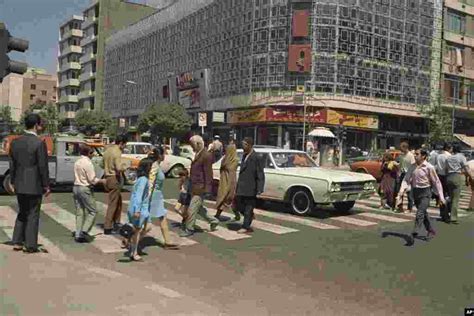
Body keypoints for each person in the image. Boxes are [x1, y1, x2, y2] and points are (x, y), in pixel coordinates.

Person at [9, 113, 50, 253]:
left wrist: (13, 181)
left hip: (19, 184)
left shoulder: (15, 142)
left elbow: (12, 164)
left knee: (22, 212)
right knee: (33, 214)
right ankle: (31, 245)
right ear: (36, 125)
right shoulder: (39, 143)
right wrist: (46, 185)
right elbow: (43, 166)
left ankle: (17, 242)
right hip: (34, 184)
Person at [397, 148, 445, 245]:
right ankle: (430, 230)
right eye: (415, 154)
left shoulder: (429, 167)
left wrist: (441, 197)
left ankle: (414, 232)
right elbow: (406, 179)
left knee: (420, 213)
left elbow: (436, 182)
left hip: (426, 192)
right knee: (423, 212)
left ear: (423, 156)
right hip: (416, 192)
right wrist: (401, 192)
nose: (415, 156)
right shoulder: (412, 166)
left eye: (417, 154)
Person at [180, 135, 219, 237]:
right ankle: (213, 220)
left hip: (200, 187)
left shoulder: (206, 155)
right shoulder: (198, 154)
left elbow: (208, 174)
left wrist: (207, 189)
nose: (192, 147)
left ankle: (189, 228)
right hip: (194, 186)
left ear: (198, 144)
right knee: (199, 208)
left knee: (192, 209)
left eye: (192, 145)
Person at [73, 144, 106, 243]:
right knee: (93, 211)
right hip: (85, 188)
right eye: (92, 152)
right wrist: (102, 181)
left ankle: (78, 234)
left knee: (79, 212)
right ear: (89, 153)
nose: (93, 154)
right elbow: (92, 180)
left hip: (76, 187)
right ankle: (84, 231)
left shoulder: (77, 162)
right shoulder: (88, 163)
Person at [148, 147, 179, 249]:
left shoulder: (157, 165)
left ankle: (167, 241)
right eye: (164, 154)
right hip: (153, 196)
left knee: (162, 217)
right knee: (145, 223)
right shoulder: (155, 166)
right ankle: (130, 240)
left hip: (157, 196)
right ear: (160, 155)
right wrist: (147, 198)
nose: (165, 155)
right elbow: (151, 182)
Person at [235, 137, 265, 234]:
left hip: (251, 187)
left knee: (248, 207)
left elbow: (260, 173)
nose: (242, 146)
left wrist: (260, 187)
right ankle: (249, 216)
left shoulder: (256, 157)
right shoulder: (244, 155)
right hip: (242, 186)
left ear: (249, 145)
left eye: (244, 144)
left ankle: (246, 226)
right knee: (238, 205)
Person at [127, 158, 153, 261]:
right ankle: (134, 252)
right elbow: (139, 196)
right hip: (139, 209)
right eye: (151, 166)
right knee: (137, 231)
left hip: (140, 208)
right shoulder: (143, 180)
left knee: (146, 227)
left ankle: (130, 242)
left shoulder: (140, 179)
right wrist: (137, 210)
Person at [103, 135, 128, 235]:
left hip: (107, 176)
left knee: (118, 201)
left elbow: (101, 164)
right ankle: (108, 226)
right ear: (121, 143)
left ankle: (116, 222)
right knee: (113, 203)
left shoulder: (107, 150)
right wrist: (125, 166)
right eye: (125, 144)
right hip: (114, 177)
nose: (125, 147)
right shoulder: (117, 152)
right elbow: (118, 168)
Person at [214, 142, 240, 221]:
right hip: (224, 181)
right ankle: (218, 214)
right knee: (224, 199)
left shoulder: (234, 161)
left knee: (229, 199)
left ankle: (237, 214)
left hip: (230, 182)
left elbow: (231, 172)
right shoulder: (226, 159)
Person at [445, 144, 469, 224]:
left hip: (449, 177)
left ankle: (445, 214)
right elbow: (465, 167)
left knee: (450, 197)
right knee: (456, 199)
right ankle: (453, 217)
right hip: (457, 176)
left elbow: (446, 168)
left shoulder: (449, 157)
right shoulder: (461, 157)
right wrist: (469, 176)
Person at [395, 141, 415, 213]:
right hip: (402, 174)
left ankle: (409, 208)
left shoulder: (411, 155)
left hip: (409, 174)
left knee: (409, 192)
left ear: (405, 147)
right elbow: (400, 165)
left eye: (401, 148)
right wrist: (398, 170)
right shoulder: (401, 156)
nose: (400, 150)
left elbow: (413, 166)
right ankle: (400, 207)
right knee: (400, 191)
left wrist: (412, 176)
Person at [434, 143, 452, 221]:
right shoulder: (449, 156)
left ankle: (442, 212)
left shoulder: (439, 155)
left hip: (439, 176)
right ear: (449, 148)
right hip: (446, 176)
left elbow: (437, 166)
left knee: (441, 195)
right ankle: (446, 213)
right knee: (448, 196)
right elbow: (448, 168)